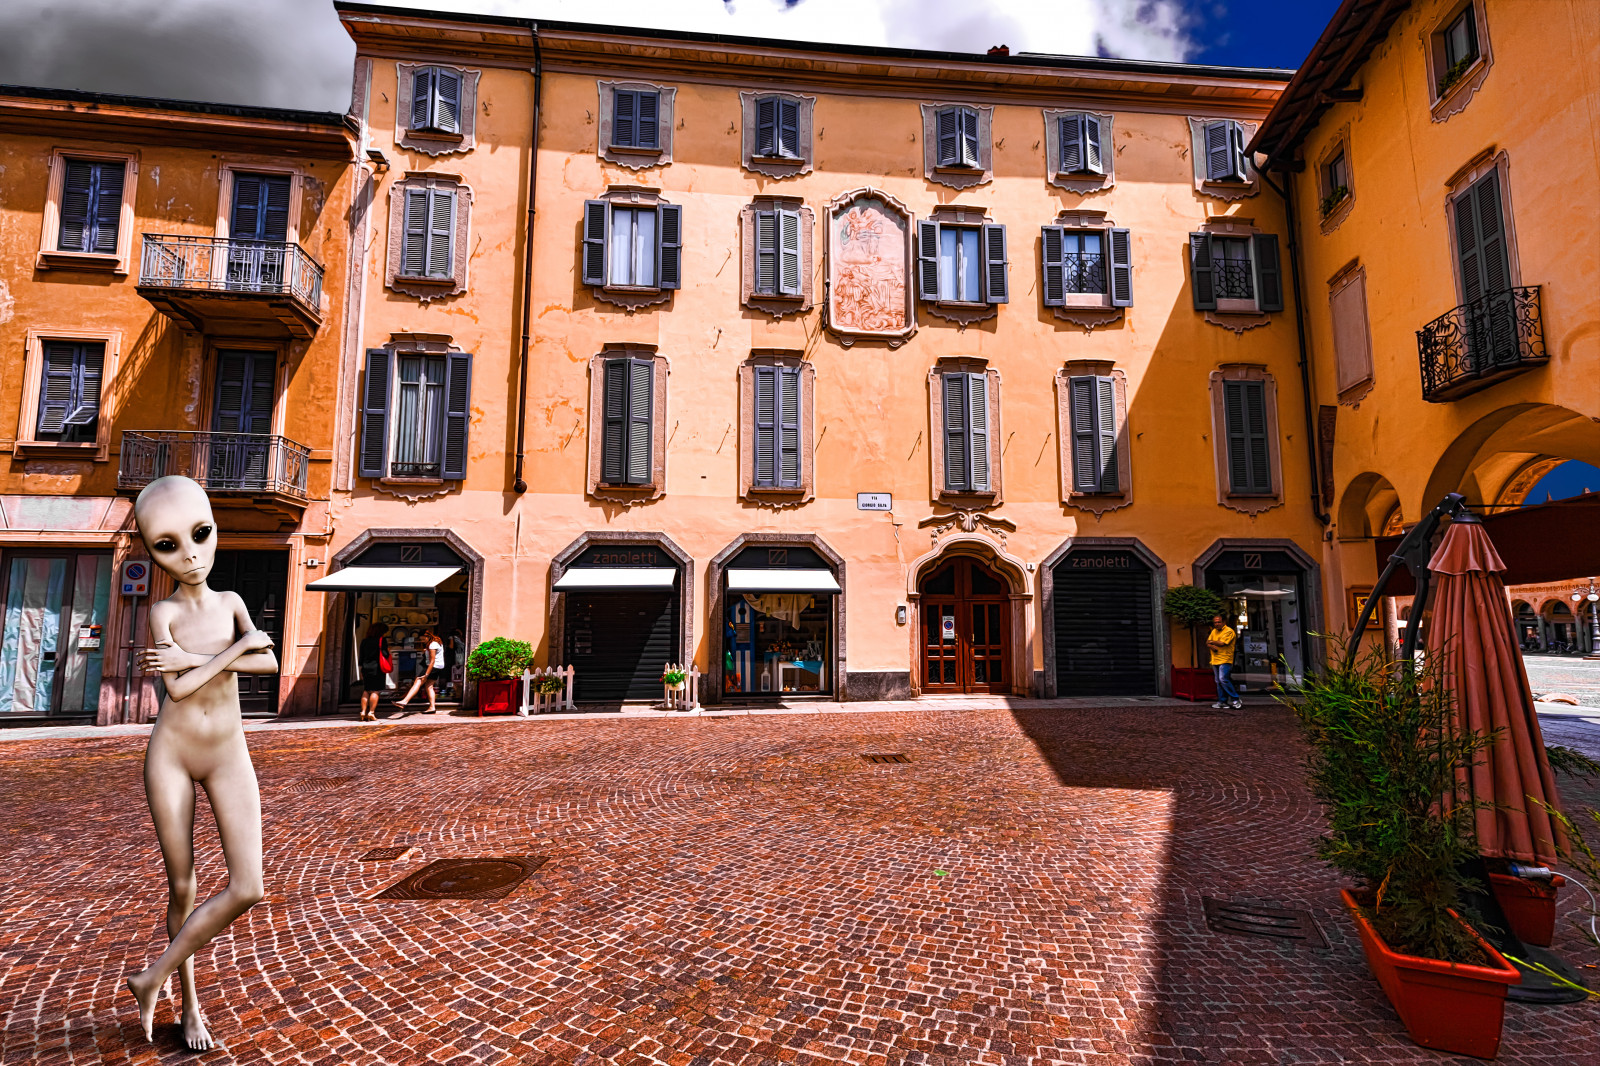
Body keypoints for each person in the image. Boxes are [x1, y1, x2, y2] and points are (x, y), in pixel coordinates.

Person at [125, 476, 278, 1050]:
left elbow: (273, 665)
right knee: (182, 888)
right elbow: (181, 689)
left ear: (215, 529)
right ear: (149, 549)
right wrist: (238, 648)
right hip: (172, 753)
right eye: (167, 545)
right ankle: (189, 1008)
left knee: (250, 886)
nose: (190, 554)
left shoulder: (232, 602)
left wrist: (209, 656)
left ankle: (152, 976)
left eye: (200, 534)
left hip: (228, 752)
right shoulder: (161, 613)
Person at [394, 626, 442, 713]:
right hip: (438, 666)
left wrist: (426, 674)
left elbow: (432, 661)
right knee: (429, 686)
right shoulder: (435, 642)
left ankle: (404, 701)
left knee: (418, 681)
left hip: (432, 666)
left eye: (423, 639)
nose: (422, 641)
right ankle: (432, 707)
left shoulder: (432, 644)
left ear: (427, 637)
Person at [1207, 613, 1243, 710]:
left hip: (1225, 659)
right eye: (1215, 622)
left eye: (1219, 622)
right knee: (1219, 681)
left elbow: (1222, 643)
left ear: (1224, 622)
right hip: (1215, 660)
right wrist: (1213, 645)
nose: (1216, 624)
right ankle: (1222, 701)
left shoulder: (1229, 631)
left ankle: (1236, 699)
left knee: (1223, 679)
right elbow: (1207, 642)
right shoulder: (1214, 631)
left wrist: (1212, 642)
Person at [357, 621, 390, 722]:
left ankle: (363, 712)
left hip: (366, 668)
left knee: (366, 690)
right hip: (378, 668)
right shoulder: (381, 640)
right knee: (375, 690)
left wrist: (361, 668)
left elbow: (361, 657)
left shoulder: (364, 641)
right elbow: (385, 654)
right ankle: (371, 712)